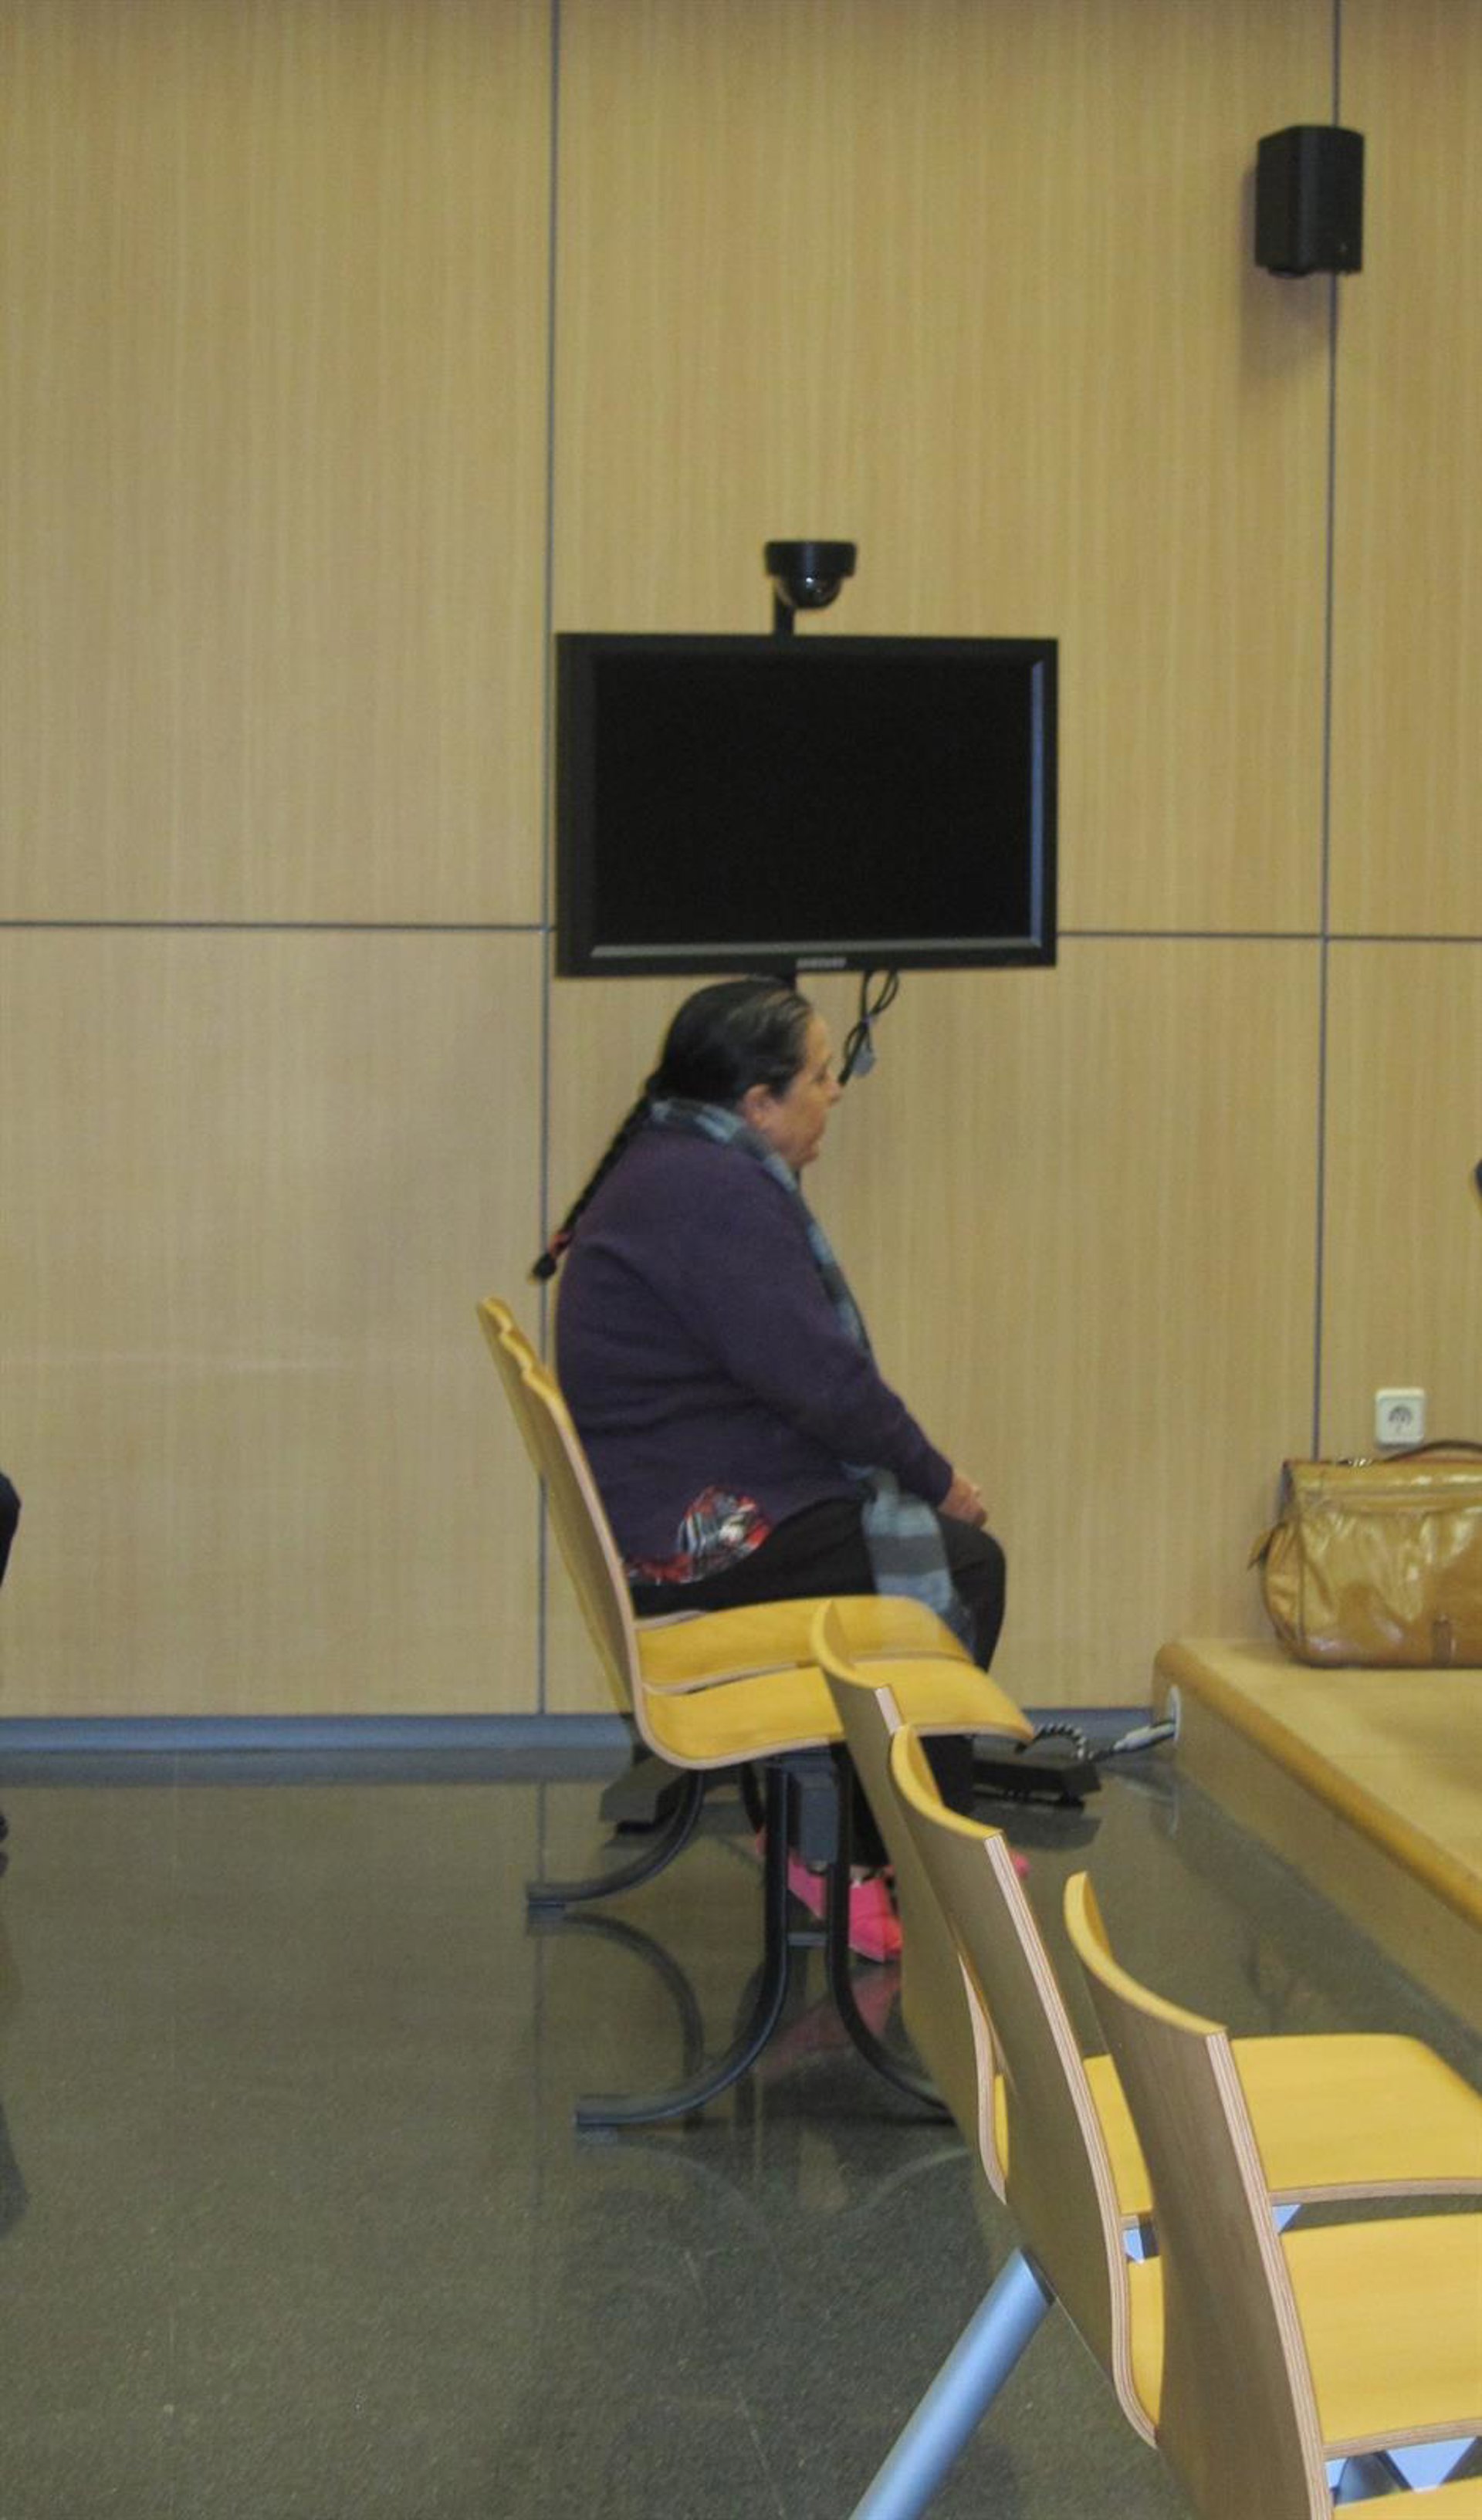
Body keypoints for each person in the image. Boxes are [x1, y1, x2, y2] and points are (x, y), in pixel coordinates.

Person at [536, 979, 1007, 1954]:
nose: (835, 1092)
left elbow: (801, 1377)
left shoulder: (679, 1163)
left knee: (923, 1551)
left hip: (680, 1504)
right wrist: (935, 1477)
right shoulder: (710, 1192)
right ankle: (884, 1858)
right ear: (757, 1102)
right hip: (697, 1535)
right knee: (962, 1566)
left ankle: (884, 1842)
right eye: (821, 1076)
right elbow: (824, 1382)